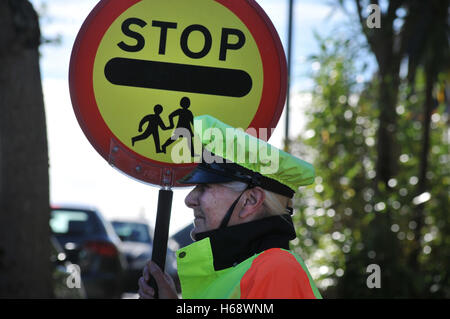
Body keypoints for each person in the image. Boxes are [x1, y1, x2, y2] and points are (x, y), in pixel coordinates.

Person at [138, 115, 322, 299]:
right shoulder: (249, 269)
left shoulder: (277, 270)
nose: (189, 199)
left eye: (204, 187)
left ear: (250, 200)